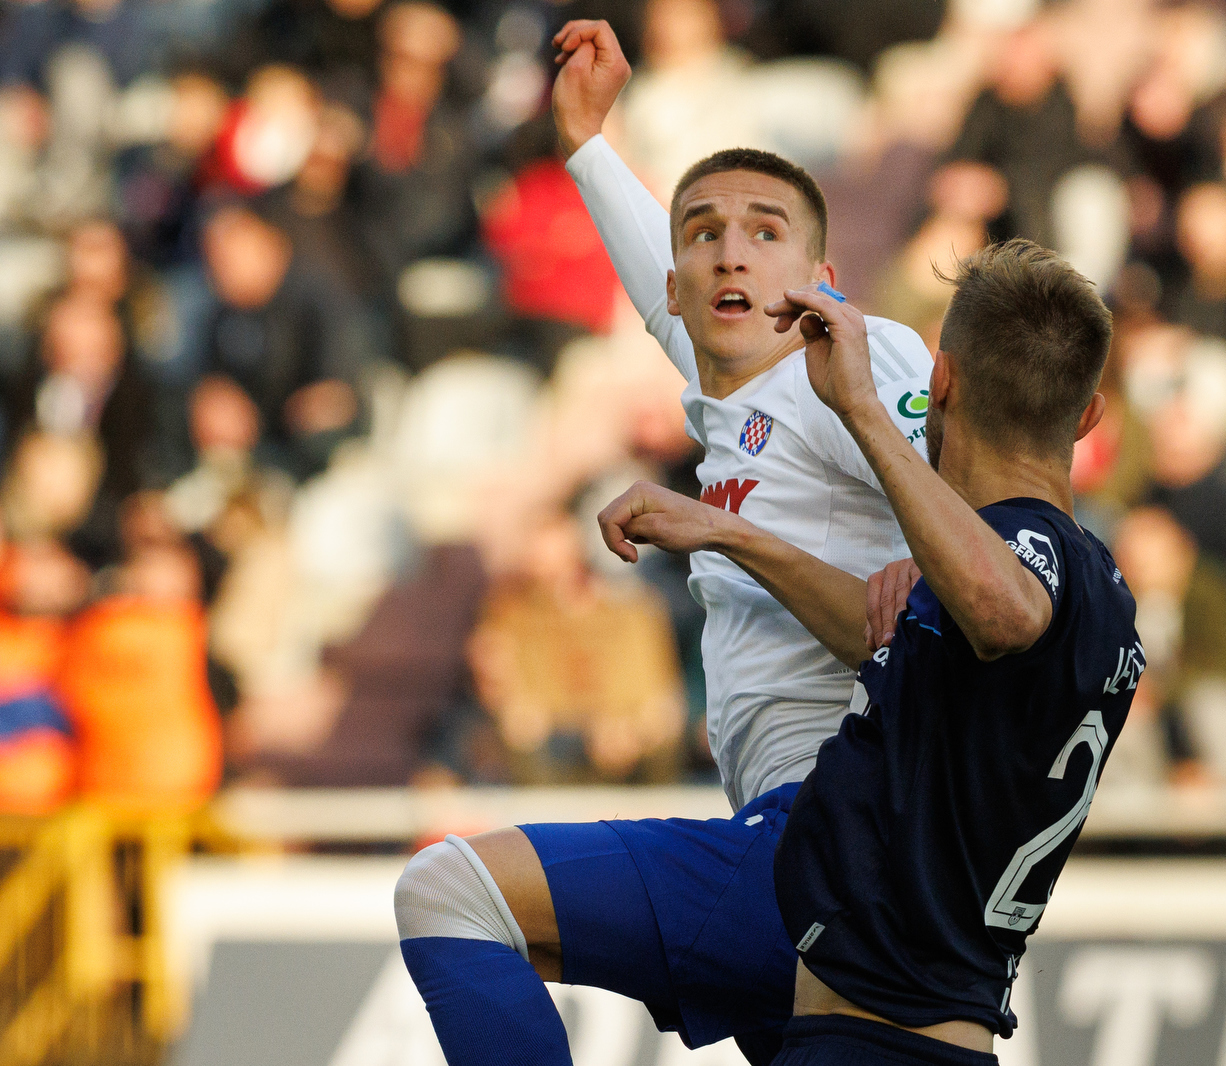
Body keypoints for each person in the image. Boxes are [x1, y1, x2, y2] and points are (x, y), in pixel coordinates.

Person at [394, 18, 932, 1066]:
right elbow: (662, 277)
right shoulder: (733, 372)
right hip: (843, 869)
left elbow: (949, 512)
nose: (730, 246)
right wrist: (589, 143)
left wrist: (935, 529)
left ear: (824, 277)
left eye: (766, 229)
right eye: (704, 234)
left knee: (451, 887)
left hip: (827, 836)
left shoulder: (849, 365)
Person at [598, 238, 1140, 1063]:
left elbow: (1005, 610)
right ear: (1090, 412)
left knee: (467, 893)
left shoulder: (1025, 551)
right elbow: (895, 632)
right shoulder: (1099, 585)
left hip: (879, 1035)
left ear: (943, 383)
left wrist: (864, 412)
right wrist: (727, 532)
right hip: (914, 1031)